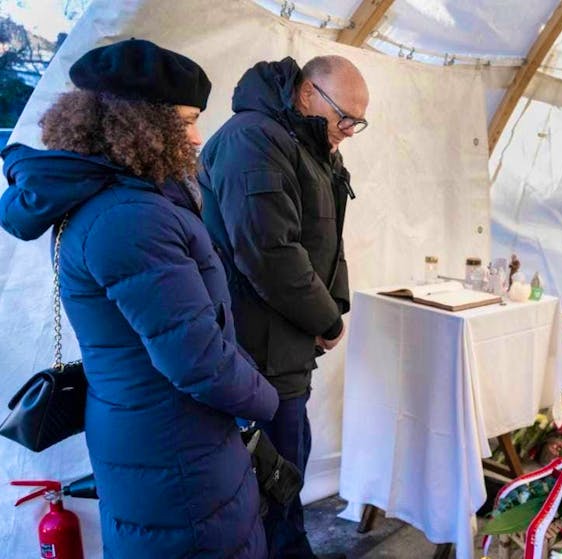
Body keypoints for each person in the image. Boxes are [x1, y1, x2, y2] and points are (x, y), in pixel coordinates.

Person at [0, 39, 279, 558]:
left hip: (160, 436)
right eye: (187, 119)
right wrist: (266, 401)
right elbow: (197, 361)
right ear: (142, 123)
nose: (198, 136)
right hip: (174, 449)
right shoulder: (129, 217)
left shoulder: (123, 198)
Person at [197, 54, 368, 558]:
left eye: (359, 121)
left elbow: (326, 240)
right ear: (307, 93)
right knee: (272, 473)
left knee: (289, 460)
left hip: (286, 341)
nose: (351, 130)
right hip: (257, 347)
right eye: (346, 116)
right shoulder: (254, 139)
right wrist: (327, 317)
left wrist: (333, 305)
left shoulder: (310, 143)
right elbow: (271, 253)